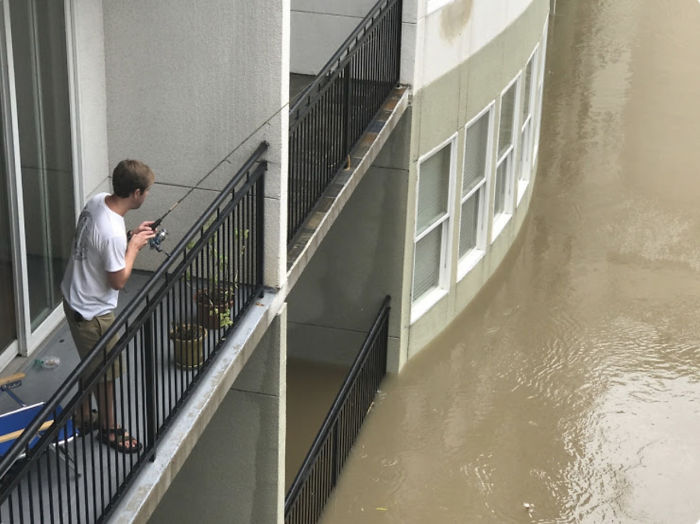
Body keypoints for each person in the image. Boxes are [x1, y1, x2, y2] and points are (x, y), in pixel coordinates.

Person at [61, 159, 156, 453]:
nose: (147, 195)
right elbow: (118, 280)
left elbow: (99, 247)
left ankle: (81, 415)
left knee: (93, 364)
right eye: (147, 191)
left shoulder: (98, 202)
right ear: (137, 193)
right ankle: (110, 430)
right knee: (107, 372)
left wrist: (129, 238)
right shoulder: (113, 232)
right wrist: (134, 248)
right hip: (92, 313)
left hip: (73, 296)